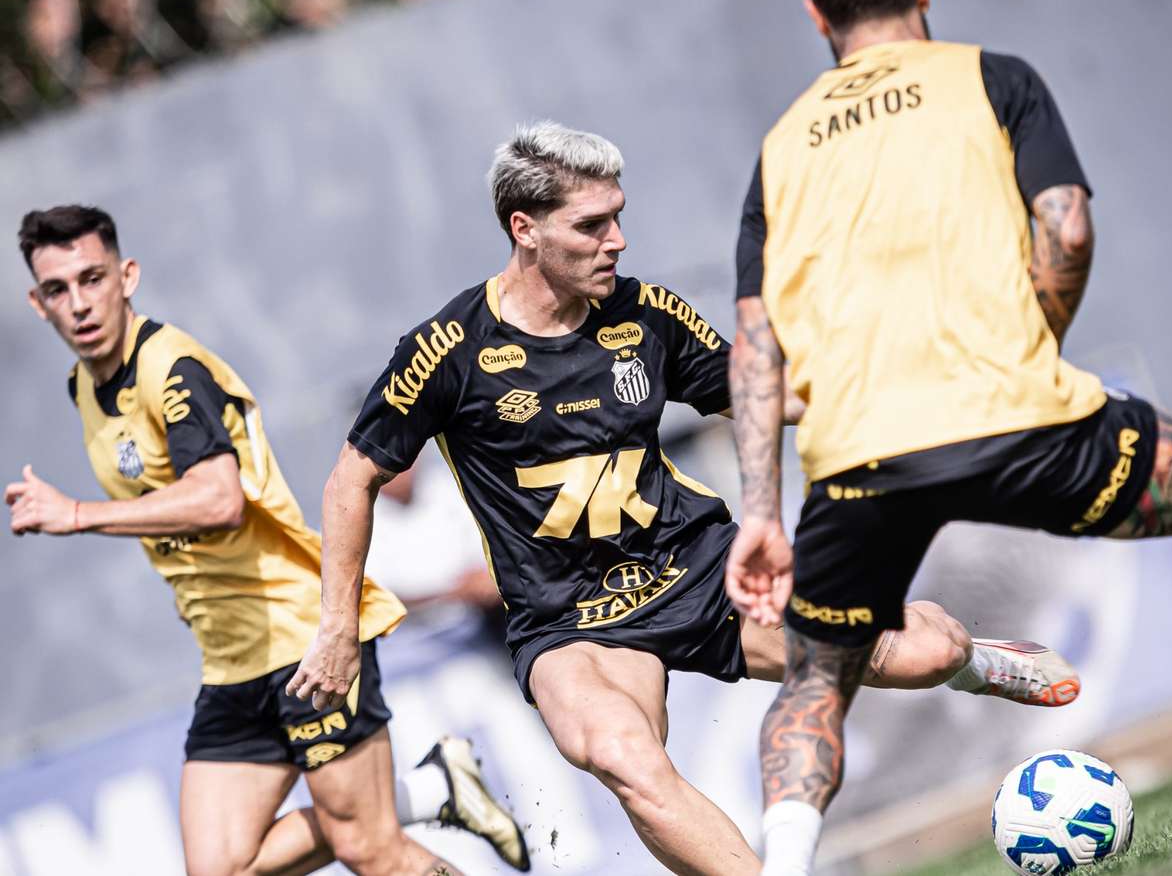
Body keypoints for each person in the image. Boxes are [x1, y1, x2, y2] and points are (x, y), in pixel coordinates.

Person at [286, 121, 1082, 875]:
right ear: (525, 229)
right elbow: (351, 481)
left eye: (618, 217)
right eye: (591, 225)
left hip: (702, 571)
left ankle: (975, 661)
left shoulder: (646, 315)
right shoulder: (447, 350)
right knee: (623, 758)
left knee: (923, 654)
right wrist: (337, 629)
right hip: (570, 624)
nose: (617, 241)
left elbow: (758, 395)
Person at [725, 0, 1172, 873]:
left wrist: (760, 510)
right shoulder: (991, 77)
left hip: (862, 457)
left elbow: (756, 349)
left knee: (816, 679)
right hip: (1022, 418)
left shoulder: (782, 147)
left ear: (817, 13)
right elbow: (1067, 229)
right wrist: (1030, 348)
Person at [6, 205, 530, 876]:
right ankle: (429, 792)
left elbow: (219, 498)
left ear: (126, 276)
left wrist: (78, 514)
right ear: (39, 303)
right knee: (220, 869)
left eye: (92, 278)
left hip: (302, 638)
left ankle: (422, 795)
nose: (79, 303)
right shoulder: (84, 386)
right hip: (232, 659)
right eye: (58, 289)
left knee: (369, 848)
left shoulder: (173, 371)